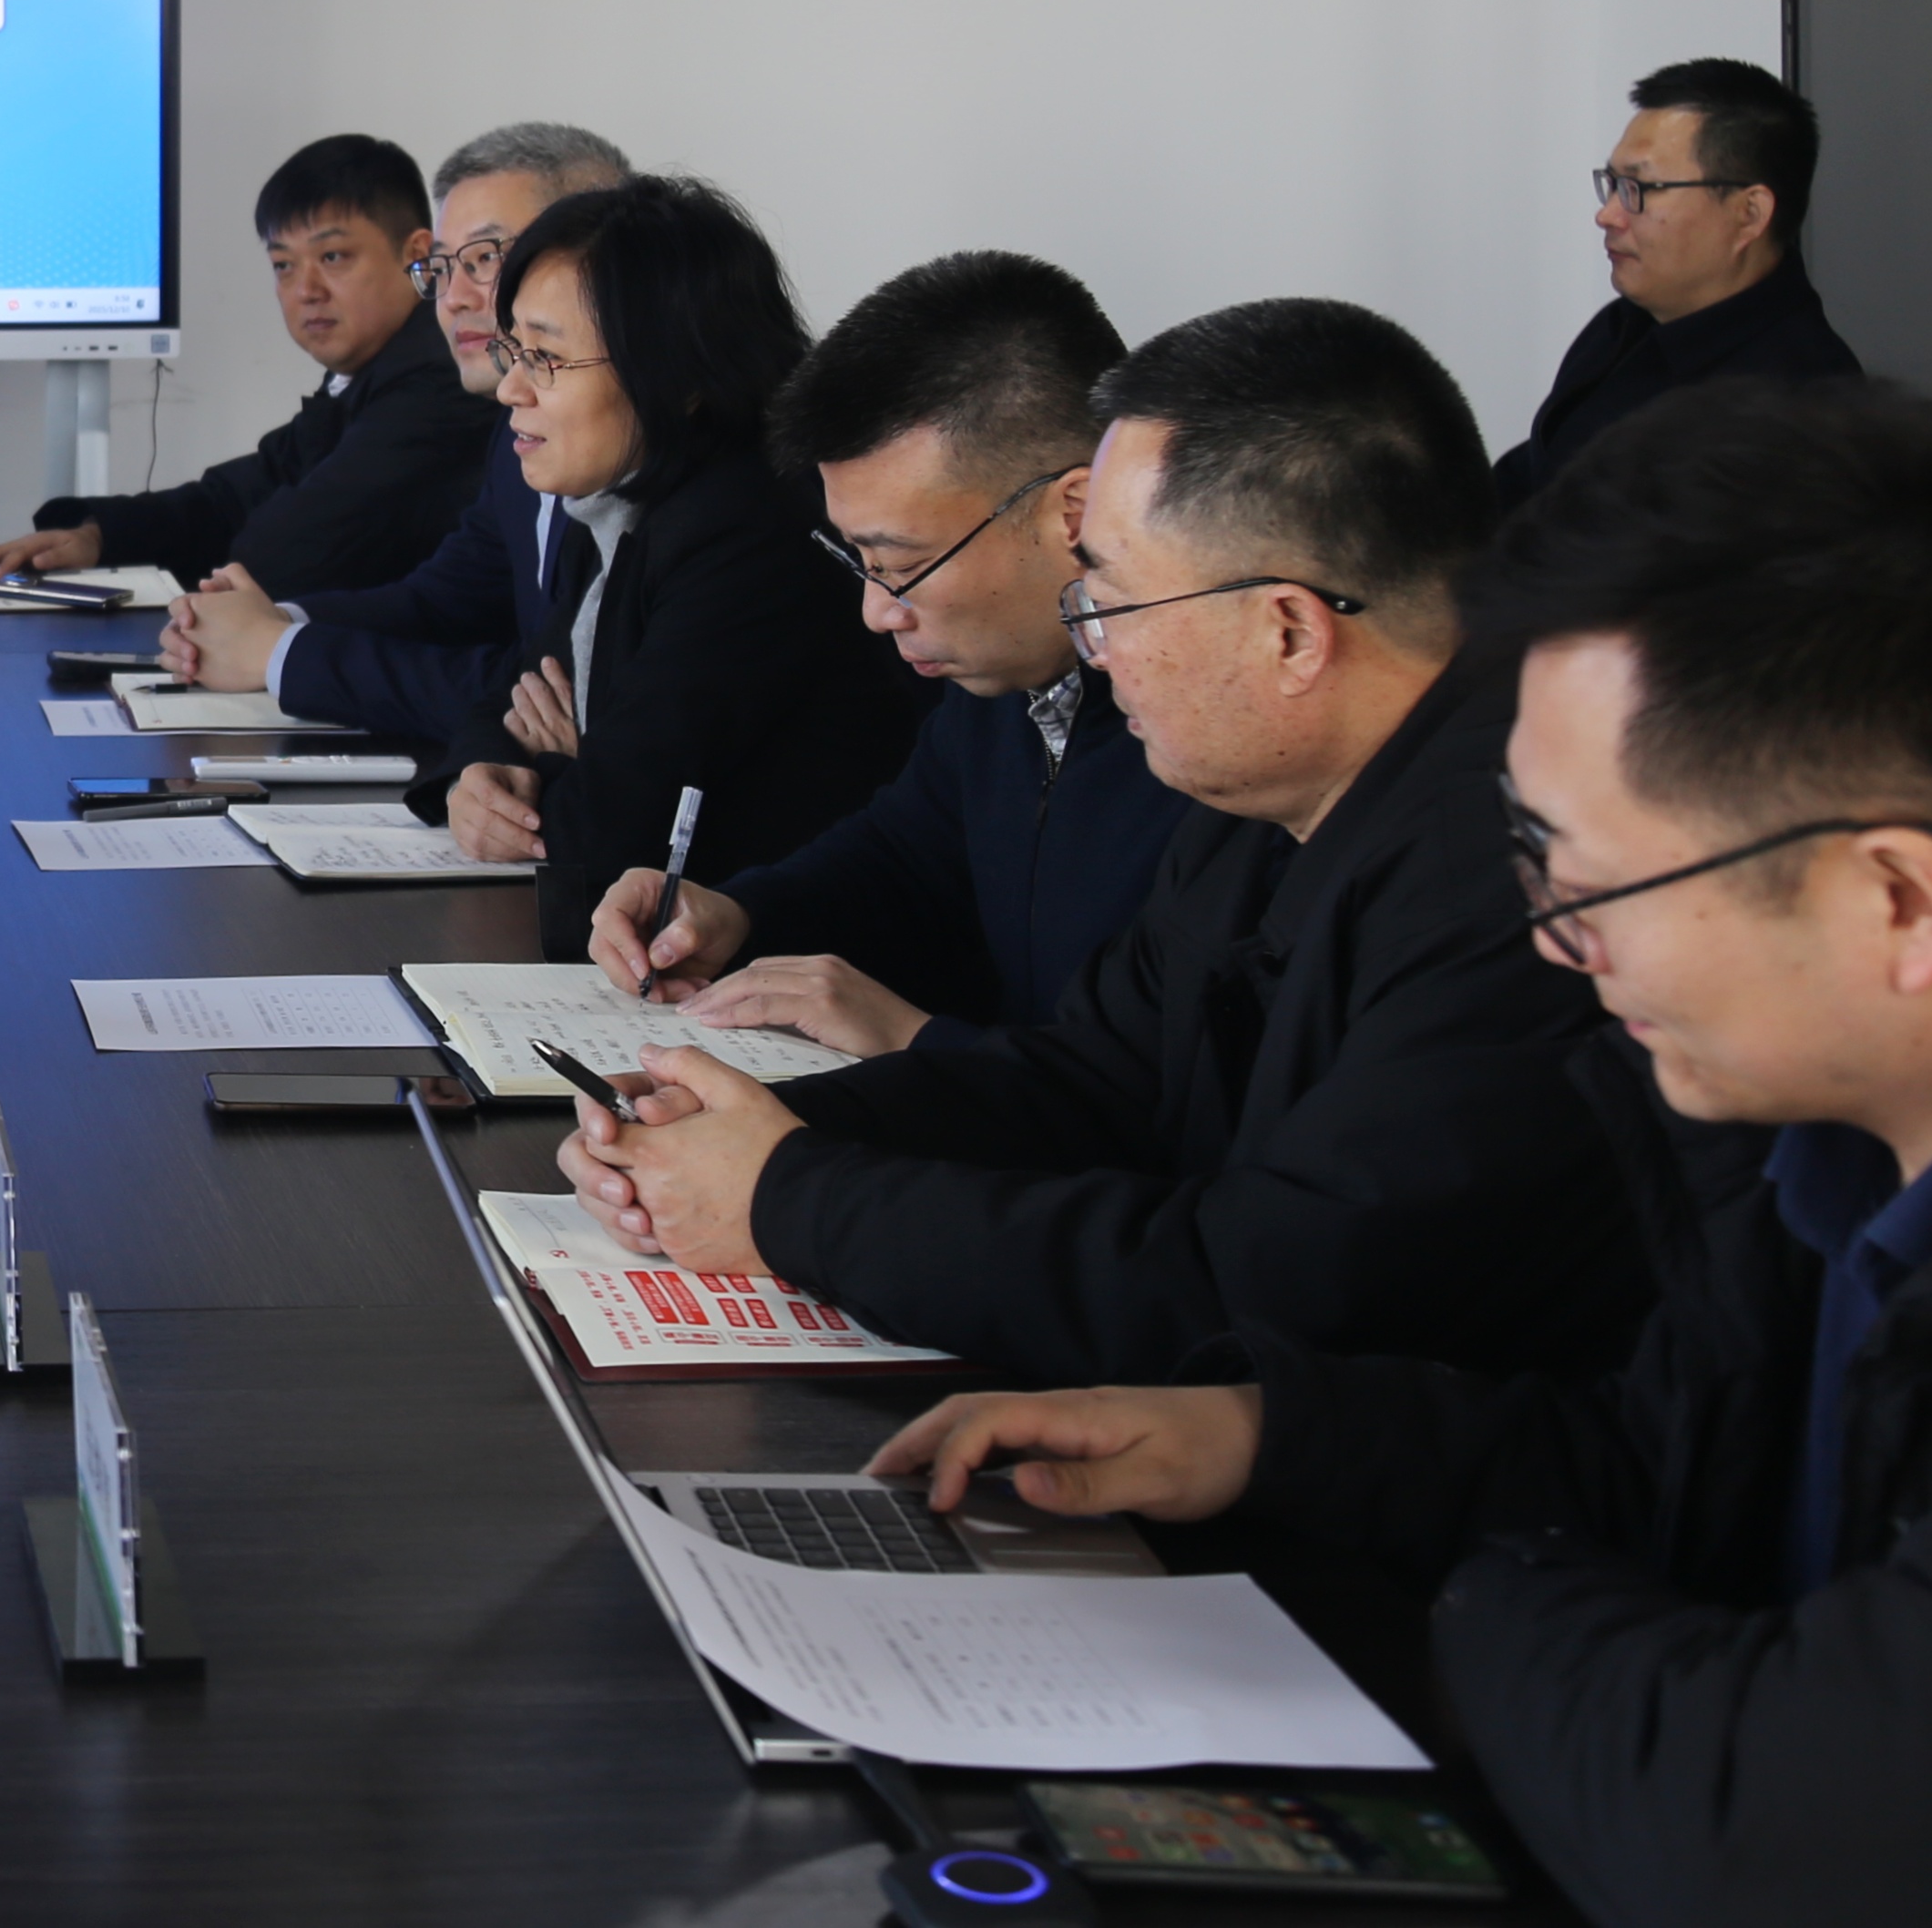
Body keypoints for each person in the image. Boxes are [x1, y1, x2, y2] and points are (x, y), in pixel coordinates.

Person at [874, 382, 1932, 1928]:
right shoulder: (1797, 1158)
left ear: (1893, 900)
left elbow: (1748, 1826)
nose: (1554, 942)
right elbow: (1665, 1462)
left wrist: (1488, 1598)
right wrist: (1266, 1435)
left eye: (1585, 879)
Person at [563, 299, 1651, 1384]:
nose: (1093, 648)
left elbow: (1279, 1280)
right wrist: (740, 1127)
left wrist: (788, 1197)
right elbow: (1099, 1081)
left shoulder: (1522, 878)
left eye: (1112, 602)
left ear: (1286, 630)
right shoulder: (1259, 804)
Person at [584, 251, 1190, 1049]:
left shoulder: (1207, 741)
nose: (876, 611)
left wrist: (912, 1039)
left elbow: (1165, 1086)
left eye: (904, 566)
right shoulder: (1001, 683)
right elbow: (904, 855)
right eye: (858, 563)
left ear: (1072, 513)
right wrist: (737, 913)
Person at [427, 176, 931, 935]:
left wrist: (565, 768)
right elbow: (513, 690)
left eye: (546, 358)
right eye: (512, 350)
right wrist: (479, 773)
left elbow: (610, 838)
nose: (510, 390)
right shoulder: (617, 500)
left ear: (681, 375)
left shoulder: (750, 530)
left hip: (787, 960)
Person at [158, 122, 633, 746]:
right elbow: (444, 602)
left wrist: (279, 652)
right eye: (444, 265)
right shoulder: (514, 421)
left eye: (486, 258)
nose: (451, 298)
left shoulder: (648, 453)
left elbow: (563, 700)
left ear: (604, 262)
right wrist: (270, 623)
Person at [0, 134, 489, 597]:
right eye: (283, 265)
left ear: (418, 255)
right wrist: (97, 536)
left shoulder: (443, 382)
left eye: (333, 257)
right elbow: (235, 497)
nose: (305, 291)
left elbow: (290, 556)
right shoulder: (364, 375)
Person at [1493, 57, 1858, 508]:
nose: (1608, 214)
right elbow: (1535, 477)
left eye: (1638, 189)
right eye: (1613, 184)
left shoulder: (1798, 409)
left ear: (1749, 214)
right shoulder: (1626, 323)